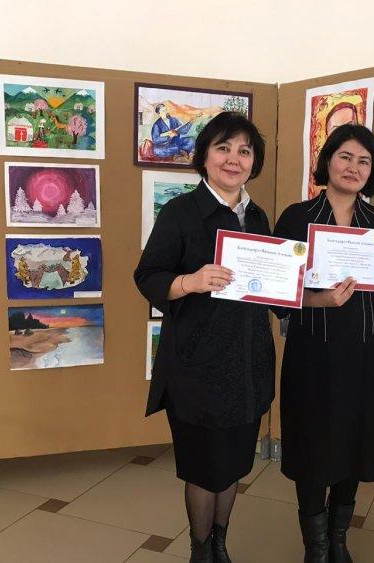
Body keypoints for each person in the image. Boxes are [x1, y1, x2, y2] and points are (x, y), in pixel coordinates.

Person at [134, 112, 274, 563]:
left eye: (244, 151)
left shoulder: (257, 217)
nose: (234, 159)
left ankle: (220, 543)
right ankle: (200, 549)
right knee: (202, 468)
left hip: (248, 363)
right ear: (205, 156)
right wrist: (190, 282)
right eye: (223, 148)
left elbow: (269, 286)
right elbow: (148, 275)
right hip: (196, 367)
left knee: (232, 464)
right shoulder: (181, 212)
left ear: (254, 162)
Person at [273, 124, 374, 563]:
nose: (353, 167)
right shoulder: (296, 217)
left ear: (372, 170)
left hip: (364, 357)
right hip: (312, 356)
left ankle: (339, 539)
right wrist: (319, 299)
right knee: (311, 448)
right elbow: (276, 292)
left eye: (364, 160)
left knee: (355, 446)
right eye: (345, 156)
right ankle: (317, 547)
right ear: (327, 161)